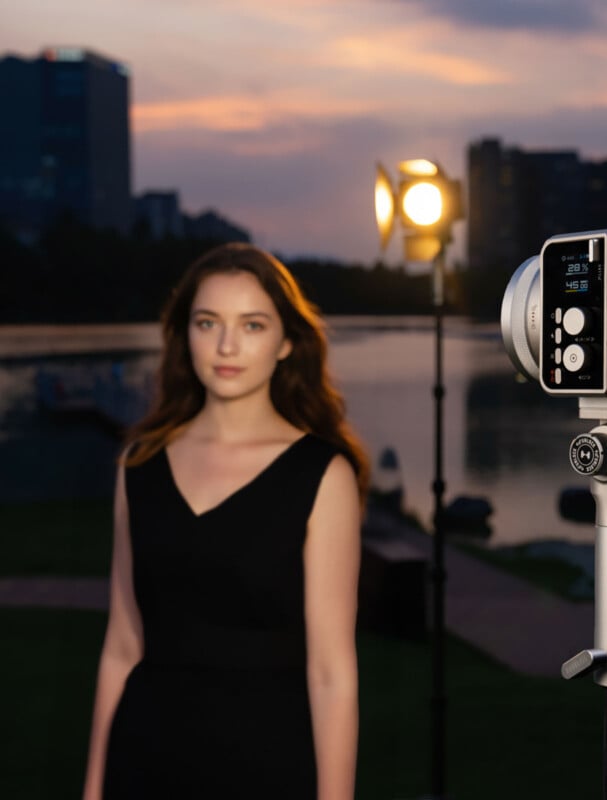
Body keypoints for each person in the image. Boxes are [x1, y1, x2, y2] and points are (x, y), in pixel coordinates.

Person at [83, 243, 369, 799]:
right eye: (207, 322)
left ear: (286, 342)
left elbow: (332, 674)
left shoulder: (321, 474)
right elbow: (121, 644)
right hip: (142, 760)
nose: (227, 345)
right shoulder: (139, 463)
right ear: (184, 334)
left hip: (266, 763)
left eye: (252, 325)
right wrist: (94, 791)